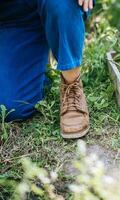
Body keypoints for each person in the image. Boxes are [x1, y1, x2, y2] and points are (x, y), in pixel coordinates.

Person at [0, 0, 94, 139]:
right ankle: (37, 63)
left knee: (61, 5)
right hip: (14, 16)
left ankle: (71, 85)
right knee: (12, 108)